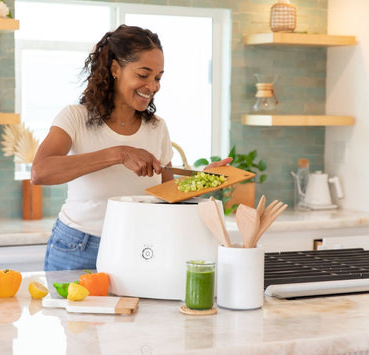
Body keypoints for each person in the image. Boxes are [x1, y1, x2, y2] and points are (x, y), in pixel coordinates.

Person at [32, 25, 230, 271]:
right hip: (78, 247)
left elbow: (167, 192)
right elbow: (40, 171)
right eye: (143, 74)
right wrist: (119, 153)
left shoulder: (157, 127)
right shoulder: (74, 117)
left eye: (158, 78)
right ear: (116, 69)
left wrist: (203, 180)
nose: (153, 86)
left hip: (136, 246)